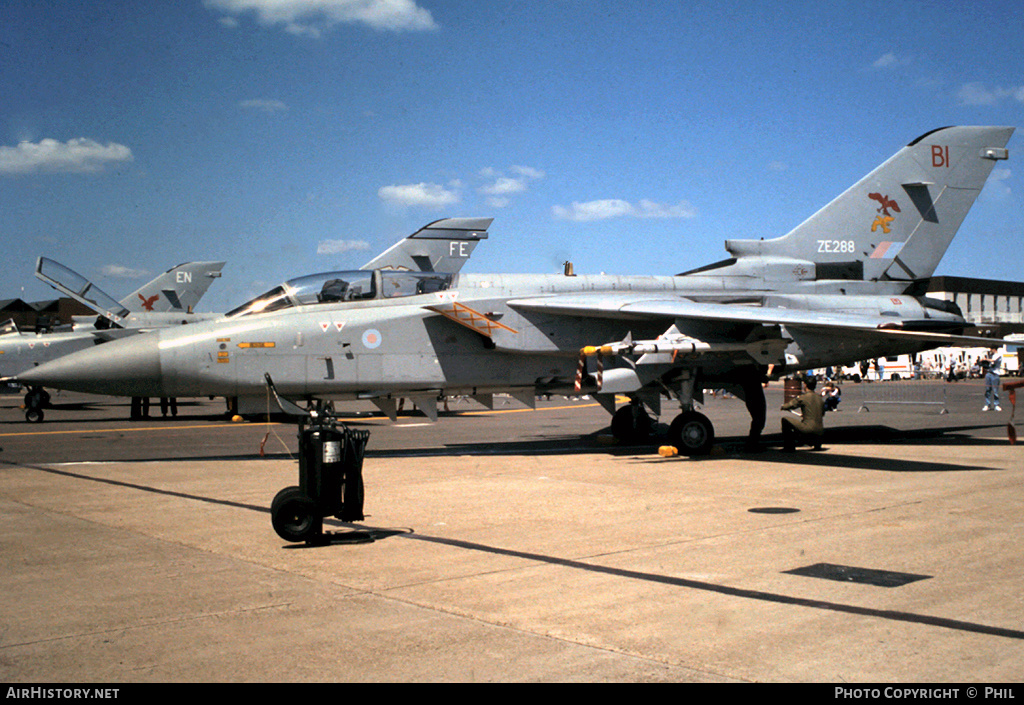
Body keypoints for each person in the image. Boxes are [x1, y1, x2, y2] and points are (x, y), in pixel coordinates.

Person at [780, 377, 825, 451]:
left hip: (808, 429)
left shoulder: (803, 397)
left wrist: (783, 406)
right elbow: (822, 413)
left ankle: (789, 446)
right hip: (820, 431)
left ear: (805, 385)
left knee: (785, 420)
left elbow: (789, 405)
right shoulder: (820, 398)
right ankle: (817, 444)